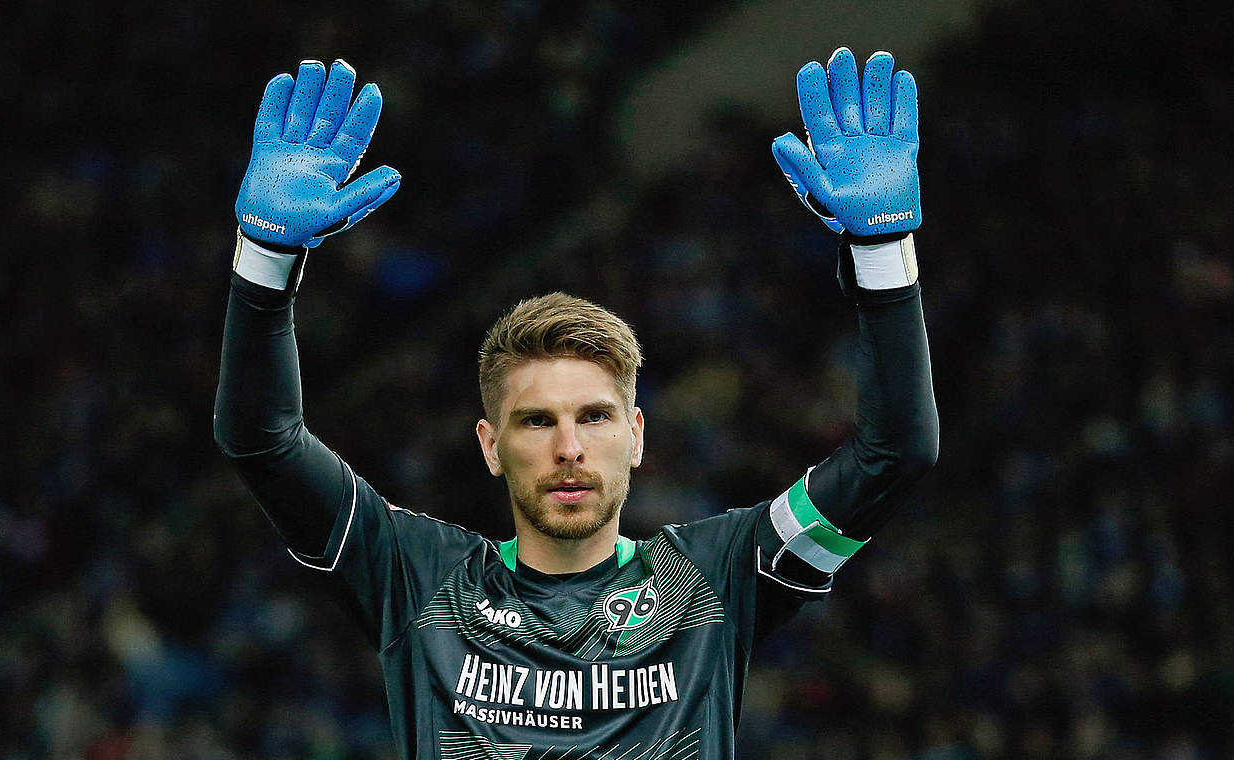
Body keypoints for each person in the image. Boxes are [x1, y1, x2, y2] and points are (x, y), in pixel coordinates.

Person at [215, 47, 937, 759]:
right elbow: (260, 437)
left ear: (637, 435)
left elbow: (896, 451)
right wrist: (264, 259)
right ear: (490, 444)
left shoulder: (716, 579)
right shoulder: (415, 576)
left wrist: (883, 256)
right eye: (536, 420)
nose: (569, 447)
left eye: (594, 416)